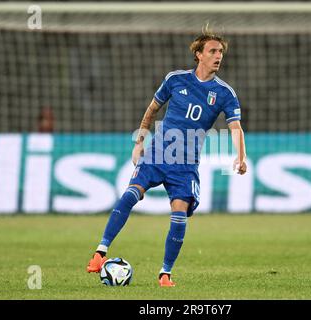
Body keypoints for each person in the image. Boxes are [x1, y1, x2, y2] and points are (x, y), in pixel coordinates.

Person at [86, 29, 247, 287]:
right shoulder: (176, 80)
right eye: (213, 51)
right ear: (199, 55)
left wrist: (241, 157)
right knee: (130, 194)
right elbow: (152, 110)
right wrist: (139, 142)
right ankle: (99, 252)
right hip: (158, 153)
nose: (218, 56)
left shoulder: (225, 93)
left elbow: (235, 127)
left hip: (185, 164)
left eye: (220, 52)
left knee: (179, 213)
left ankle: (165, 274)